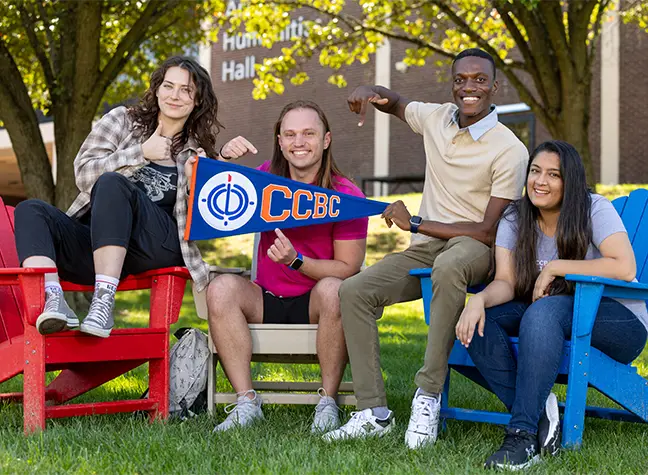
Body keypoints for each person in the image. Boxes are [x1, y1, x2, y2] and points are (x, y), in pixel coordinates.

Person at [324, 48, 529, 448]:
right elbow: (396, 103)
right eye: (460, 80)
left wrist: (415, 222)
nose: (469, 87)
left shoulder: (510, 149)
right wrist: (369, 89)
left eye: (479, 80)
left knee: (451, 264)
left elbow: (488, 231)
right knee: (354, 290)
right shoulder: (437, 118)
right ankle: (372, 411)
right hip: (427, 246)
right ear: (453, 84)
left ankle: (428, 396)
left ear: (494, 87)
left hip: (476, 250)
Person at [455, 140, 648, 469]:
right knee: (480, 323)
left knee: (543, 312)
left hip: (618, 320)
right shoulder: (516, 216)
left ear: (569, 180)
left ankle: (521, 436)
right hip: (548, 312)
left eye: (553, 175)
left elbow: (625, 267)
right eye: (535, 171)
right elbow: (506, 281)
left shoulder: (593, 208)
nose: (540, 181)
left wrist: (559, 267)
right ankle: (540, 408)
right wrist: (479, 300)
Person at [14, 56, 222, 338]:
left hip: (155, 247)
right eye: (168, 86)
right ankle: (54, 299)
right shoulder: (122, 120)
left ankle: (103, 303)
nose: (175, 95)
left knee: (113, 182)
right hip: (103, 247)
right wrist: (140, 153)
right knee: (30, 209)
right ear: (157, 89)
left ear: (197, 100)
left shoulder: (196, 153)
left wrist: (201, 179)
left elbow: (204, 222)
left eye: (186, 90)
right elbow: (84, 175)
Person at [205, 100, 368, 433]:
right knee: (220, 288)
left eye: (309, 133)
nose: (299, 142)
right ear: (279, 141)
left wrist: (297, 261)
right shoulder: (265, 177)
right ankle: (246, 403)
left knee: (337, 290)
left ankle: (327, 403)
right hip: (265, 298)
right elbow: (206, 194)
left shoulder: (346, 194)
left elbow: (349, 267)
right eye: (290, 134)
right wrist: (222, 158)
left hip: (317, 303)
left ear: (326, 140)